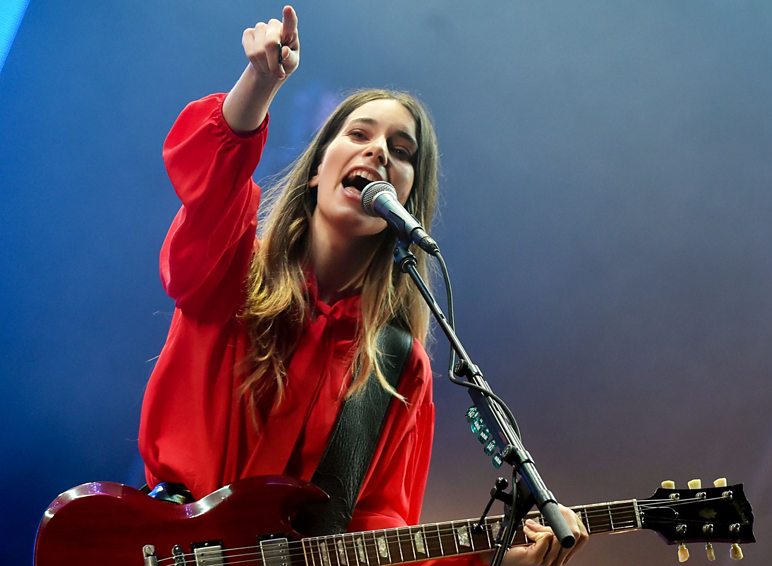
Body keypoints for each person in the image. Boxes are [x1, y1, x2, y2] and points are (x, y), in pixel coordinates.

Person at [137, 5, 587, 566]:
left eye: (402, 152)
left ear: (408, 198)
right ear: (317, 169)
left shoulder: (399, 365)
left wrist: (500, 562)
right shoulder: (230, 268)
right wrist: (259, 83)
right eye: (358, 134)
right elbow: (209, 188)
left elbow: (380, 537)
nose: (379, 152)